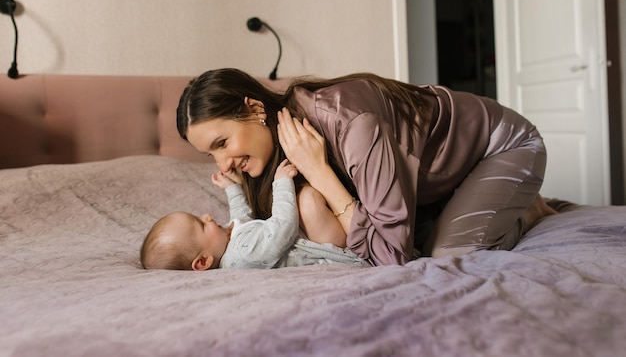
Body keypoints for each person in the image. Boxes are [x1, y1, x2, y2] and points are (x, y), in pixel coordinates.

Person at [177, 68, 556, 266]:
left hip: (501, 146)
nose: (224, 163)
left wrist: (321, 173)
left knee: (445, 258)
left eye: (222, 143)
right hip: (443, 177)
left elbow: (393, 255)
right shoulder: (277, 157)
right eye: (211, 156)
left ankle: (526, 210)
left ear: (255, 109)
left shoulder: (350, 122)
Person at [140, 159, 367, 270]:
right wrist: (281, 184)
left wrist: (232, 189)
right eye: (200, 225)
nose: (207, 216)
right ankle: (363, 238)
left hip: (311, 236)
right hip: (329, 251)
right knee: (306, 201)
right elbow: (283, 228)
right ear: (203, 261)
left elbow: (241, 219)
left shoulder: (230, 244)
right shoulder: (242, 255)